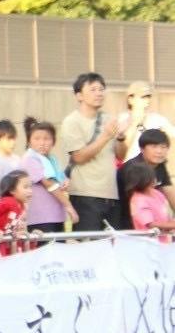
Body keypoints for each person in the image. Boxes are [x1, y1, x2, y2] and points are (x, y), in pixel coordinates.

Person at [61, 71, 130, 231]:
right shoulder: (72, 121)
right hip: (85, 195)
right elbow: (78, 157)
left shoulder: (109, 119)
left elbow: (120, 155)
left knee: (112, 243)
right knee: (89, 244)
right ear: (79, 95)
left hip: (111, 195)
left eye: (101, 89)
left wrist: (120, 137)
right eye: (93, 90)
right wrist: (106, 136)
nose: (99, 93)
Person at [21, 118, 75, 233]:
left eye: (46, 139)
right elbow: (49, 184)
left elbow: (60, 179)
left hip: (56, 216)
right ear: (29, 142)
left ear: (53, 141)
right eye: (37, 139)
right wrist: (68, 205)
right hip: (40, 218)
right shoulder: (29, 159)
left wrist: (65, 182)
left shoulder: (52, 160)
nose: (42, 143)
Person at [115, 128, 174, 230]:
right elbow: (137, 204)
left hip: (151, 223)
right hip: (128, 221)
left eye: (163, 147)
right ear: (142, 149)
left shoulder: (160, 165)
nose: (159, 151)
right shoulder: (134, 168)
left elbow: (170, 192)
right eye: (154, 147)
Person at [0, 170, 32, 258]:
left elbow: (10, 223)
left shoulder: (21, 206)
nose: (30, 191)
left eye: (30, 187)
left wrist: (14, 233)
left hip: (1, 241)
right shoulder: (9, 201)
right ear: (12, 190)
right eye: (25, 187)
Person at [123, 160, 175, 241]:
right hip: (149, 243)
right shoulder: (138, 200)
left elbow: (167, 214)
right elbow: (150, 224)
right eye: (152, 178)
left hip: (165, 241)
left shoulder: (157, 193)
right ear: (144, 181)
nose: (155, 180)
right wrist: (172, 225)